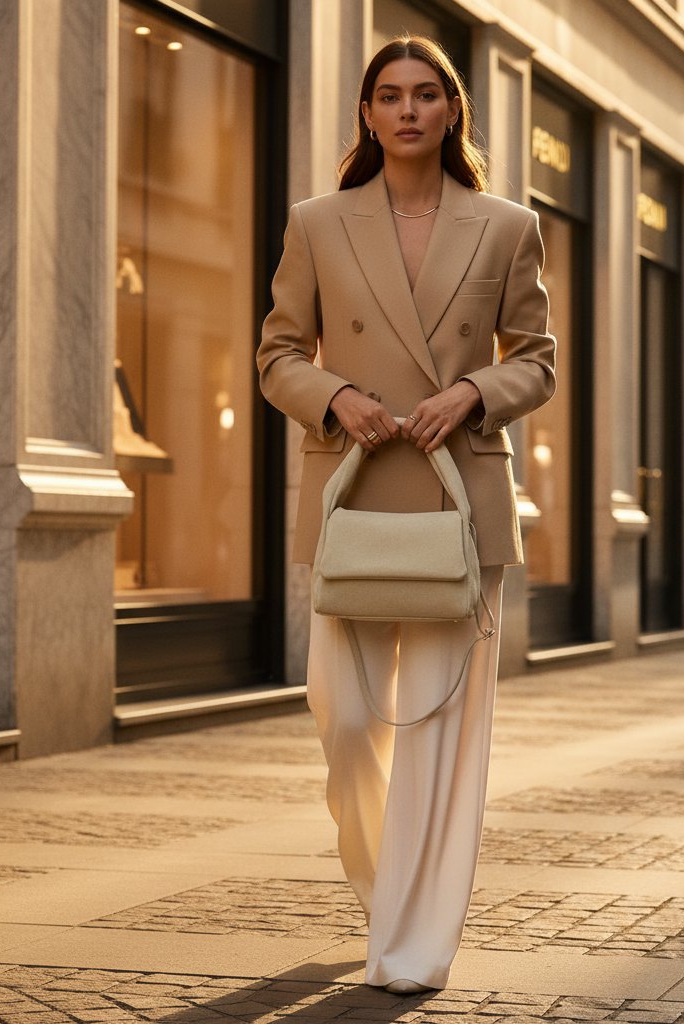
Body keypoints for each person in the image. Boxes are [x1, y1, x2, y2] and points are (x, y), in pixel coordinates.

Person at [257, 36, 556, 994]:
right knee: (344, 720)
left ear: (453, 109)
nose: (409, 110)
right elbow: (275, 355)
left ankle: (414, 941)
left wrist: (470, 391)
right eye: (389, 96)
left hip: (459, 498)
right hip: (354, 489)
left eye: (427, 95)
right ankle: (388, 881)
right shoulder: (317, 220)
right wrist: (336, 395)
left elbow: (539, 358)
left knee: (438, 727)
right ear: (368, 114)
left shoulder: (507, 225)